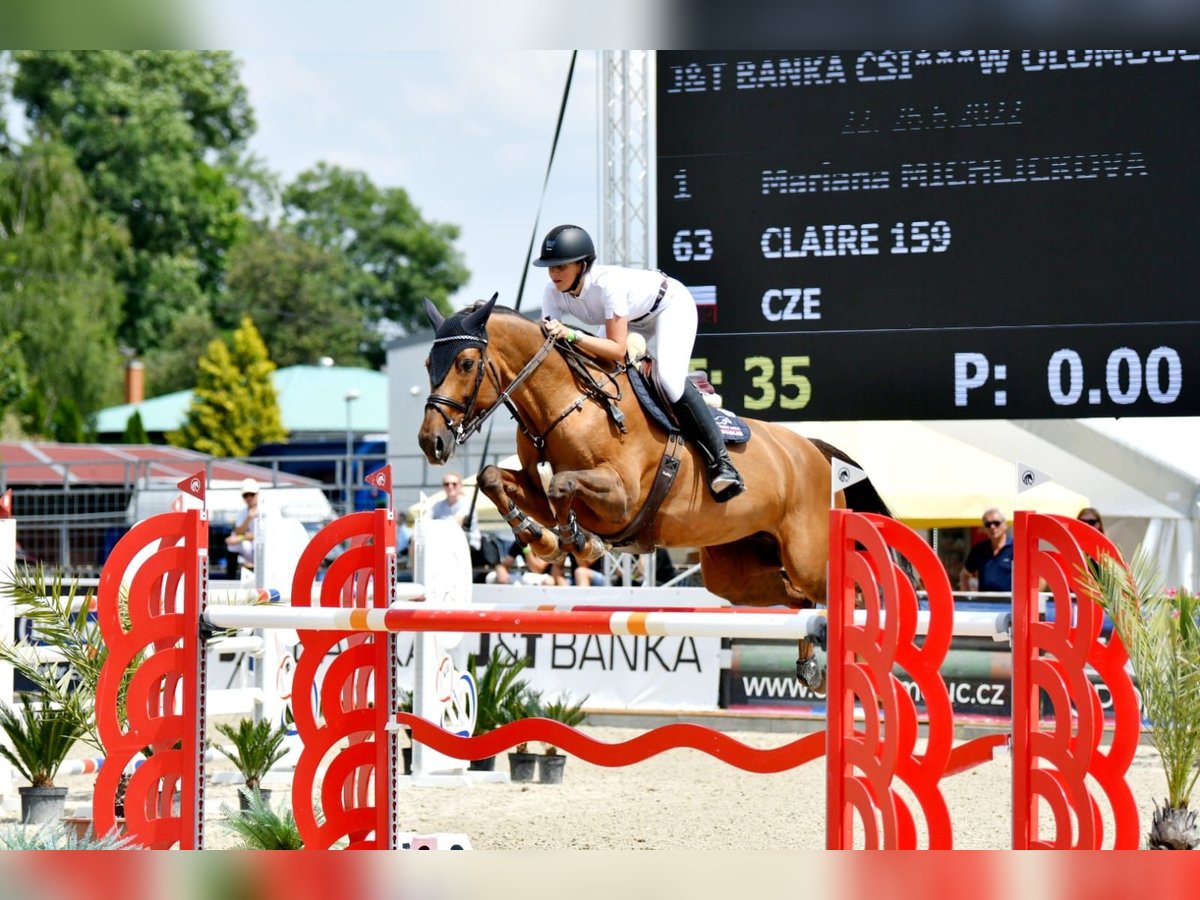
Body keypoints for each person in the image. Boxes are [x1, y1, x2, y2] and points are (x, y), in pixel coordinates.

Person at [534, 224, 744, 502]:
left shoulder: (606, 284)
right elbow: (549, 342)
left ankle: (722, 463)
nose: (554, 273)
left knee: (668, 380)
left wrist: (572, 335)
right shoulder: (552, 291)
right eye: (550, 267)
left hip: (668, 306)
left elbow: (617, 349)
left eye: (561, 266)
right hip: (631, 318)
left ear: (583, 265)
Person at [959, 507, 1013, 594]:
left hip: (1009, 603)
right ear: (984, 528)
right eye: (988, 524)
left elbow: (1038, 577)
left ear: (1005, 525)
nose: (992, 527)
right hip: (985, 603)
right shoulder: (979, 549)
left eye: (996, 523)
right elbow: (964, 575)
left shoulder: (1016, 548)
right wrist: (967, 598)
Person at [225, 478, 260, 574]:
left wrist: (242, 537)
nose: (249, 498)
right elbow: (238, 532)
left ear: (258, 494)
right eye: (246, 495)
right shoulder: (243, 512)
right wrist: (248, 518)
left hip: (266, 550)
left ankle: (253, 570)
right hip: (253, 548)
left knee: (236, 540)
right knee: (232, 543)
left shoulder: (267, 510)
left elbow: (265, 536)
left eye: (252, 494)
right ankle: (231, 577)